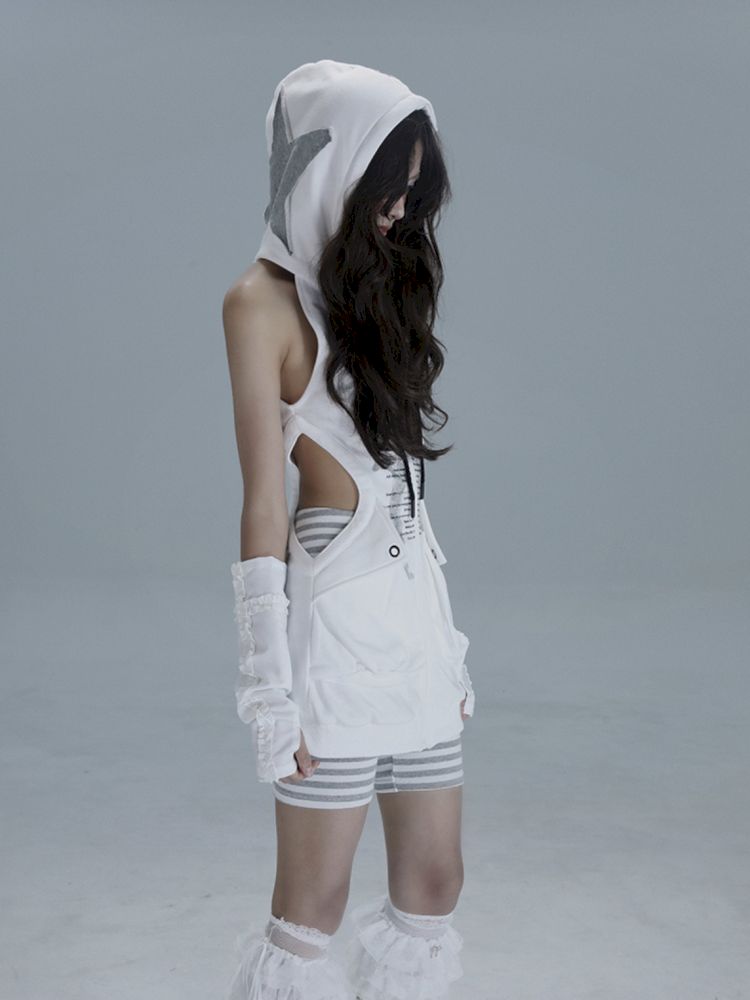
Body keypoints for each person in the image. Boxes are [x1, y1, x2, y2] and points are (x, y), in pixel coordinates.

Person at [222, 59, 477, 1000]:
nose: (399, 213)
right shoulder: (259, 302)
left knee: (435, 883)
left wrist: (445, 644)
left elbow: (407, 484)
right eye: (387, 189)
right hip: (334, 624)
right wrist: (268, 689)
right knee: (312, 908)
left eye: (413, 193)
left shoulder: (365, 284)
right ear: (331, 169)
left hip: (412, 612)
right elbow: (262, 501)